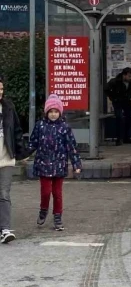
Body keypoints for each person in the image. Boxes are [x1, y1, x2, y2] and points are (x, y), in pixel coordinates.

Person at [28, 94, 82, 231]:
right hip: (43, 164)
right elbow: (32, 143)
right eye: (50, 111)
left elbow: (72, 147)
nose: (53, 114)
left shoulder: (65, 127)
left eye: (56, 111)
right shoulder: (40, 126)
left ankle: (57, 217)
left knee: (57, 193)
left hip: (59, 164)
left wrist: (76, 165)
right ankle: (43, 210)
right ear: (46, 112)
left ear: (60, 112)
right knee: (46, 192)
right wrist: (21, 154)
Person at [0, 76, 28, 243]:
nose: (0, 93)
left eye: (2, 89)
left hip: (6, 158)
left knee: (4, 193)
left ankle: (4, 229)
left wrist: (21, 153)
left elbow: (17, 131)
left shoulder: (8, 107)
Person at [105, 68, 131, 146]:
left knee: (128, 118)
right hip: (118, 101)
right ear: (124, 75)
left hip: (127, 101)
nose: (130, 78)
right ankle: (119, 139)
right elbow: (106, 89)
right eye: (129, 76)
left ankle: (127, 137)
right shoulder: (115, 81)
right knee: (119, 118)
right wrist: (113, 97)